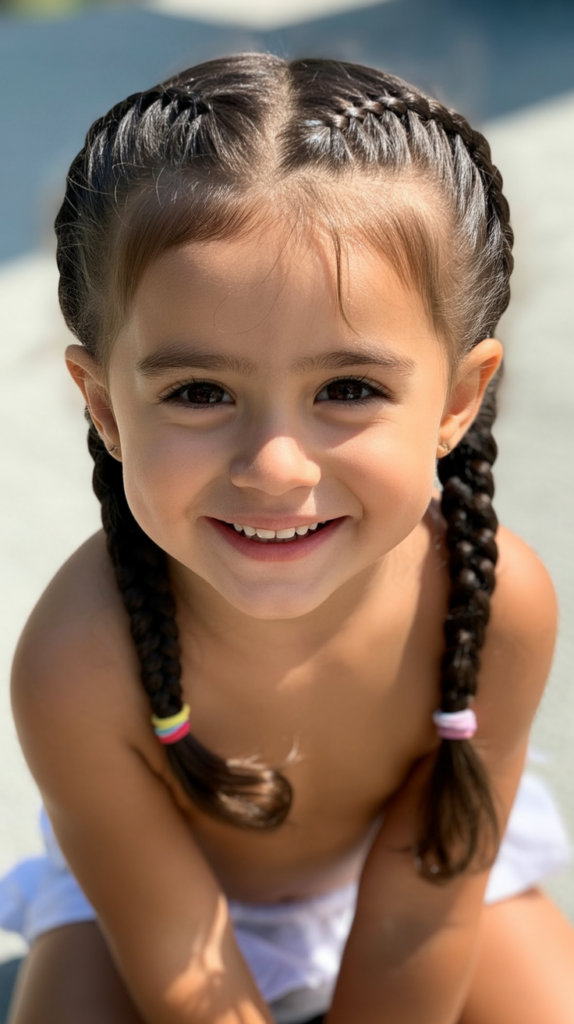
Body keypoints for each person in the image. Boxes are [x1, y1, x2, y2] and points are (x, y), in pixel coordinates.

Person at [0, 52, 572, 1024]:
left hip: (426, 879)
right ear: (101, 404)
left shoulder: (492, 602)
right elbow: (184, 974)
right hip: (149, 916)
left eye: (346, 389)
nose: (275, 467)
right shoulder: (75, 664)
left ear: (457, 399)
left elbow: (415, 921)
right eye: (198, 392)